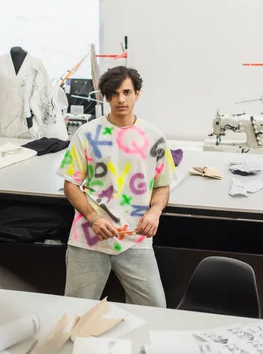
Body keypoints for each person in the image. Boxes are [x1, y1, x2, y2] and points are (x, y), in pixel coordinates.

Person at [57, 66, 176, 307]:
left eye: (127, 92)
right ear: (105, 97)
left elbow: (162, 185)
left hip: (135, 238)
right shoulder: (87, 133)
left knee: (155, 310)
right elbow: (70, 184)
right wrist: (92, 217)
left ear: (137, 94)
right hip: (90, 239)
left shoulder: (154, 137)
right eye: (113, 93)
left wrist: (154, 212)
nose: (120, 99)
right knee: (75, 312)